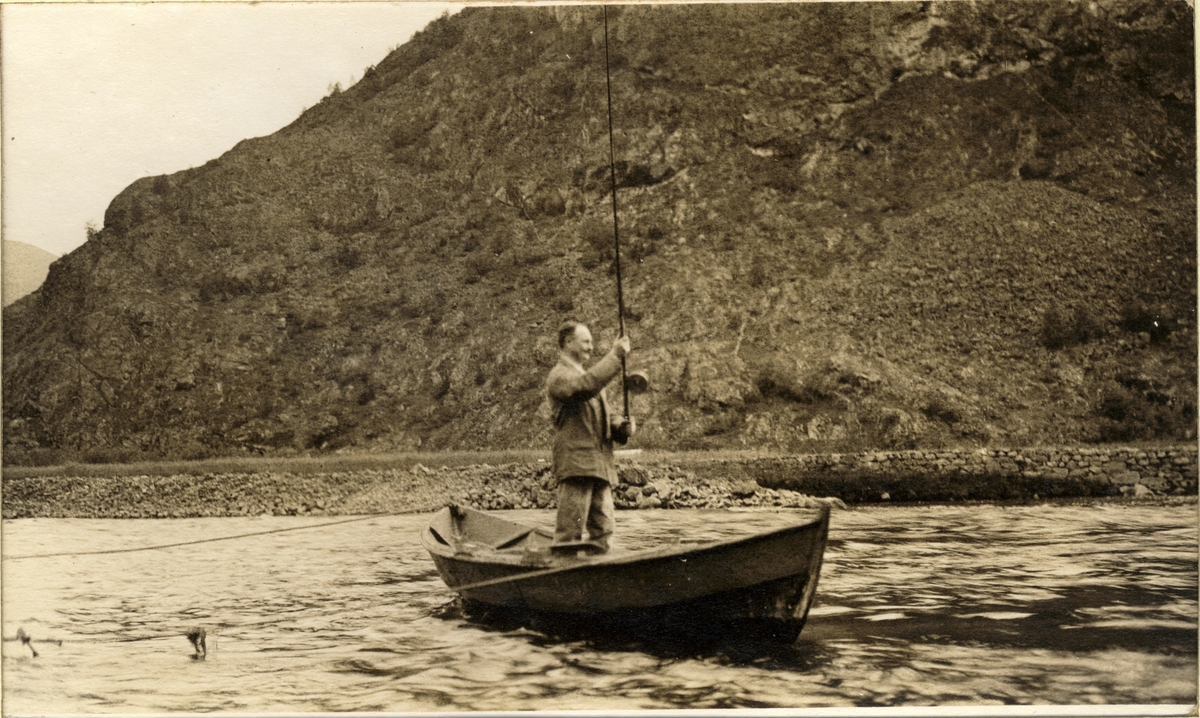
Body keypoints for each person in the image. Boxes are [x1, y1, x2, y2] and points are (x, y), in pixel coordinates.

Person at [545, 320, 635, 553]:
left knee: (603, 532)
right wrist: (615, 356)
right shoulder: (559, 376)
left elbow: (603, 416)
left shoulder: (587, 378)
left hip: (599, 466)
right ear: (568, 342)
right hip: (576, 466)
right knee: (569, 534)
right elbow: (585, 387)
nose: (590, 346)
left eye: (591, 342)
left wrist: (620, 427)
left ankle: (597, 578)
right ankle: (564, 579)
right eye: (586, 341)